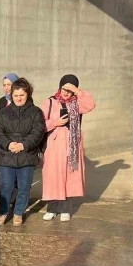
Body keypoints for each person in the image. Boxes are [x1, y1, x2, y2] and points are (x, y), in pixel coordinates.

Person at [41, 75, 96, 221]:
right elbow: (39, 124)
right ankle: (52, 208)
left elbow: (91, 104)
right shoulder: (50, 102)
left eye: (69, 90)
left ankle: (66, 209)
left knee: (69, 177)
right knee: (53, 176)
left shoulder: (78, 103)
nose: (66, 92)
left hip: (72, 145)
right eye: (64, 88)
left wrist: (77, 91)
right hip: (54, 145)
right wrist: (55, 122)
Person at [0, 77, 46, 227]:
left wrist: (24, 145)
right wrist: (8, 144)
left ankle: (18, 213)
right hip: (7, 155)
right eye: (15, 95)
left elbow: (38, 132)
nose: (18, 98)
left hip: (27, 155)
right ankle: (3, 212)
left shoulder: (36, 112)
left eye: (21, 95)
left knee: (24, 186)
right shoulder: (4, 112)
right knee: (6, 186)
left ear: (27, 94)